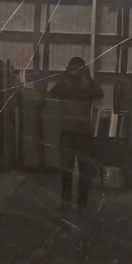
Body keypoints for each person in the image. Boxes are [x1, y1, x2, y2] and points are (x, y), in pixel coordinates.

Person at [48, 57, 104, 209]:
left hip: (82, 133)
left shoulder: (88, 85)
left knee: (84, 170)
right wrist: (67, 81)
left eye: (79, 69)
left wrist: (87, 81)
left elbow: (99, 94)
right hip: (69, 132)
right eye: (74, 69)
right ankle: (68, 201)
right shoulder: (64, 84)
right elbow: (53, 94)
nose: (76, 73)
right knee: (67, 169)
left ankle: (81, 202)